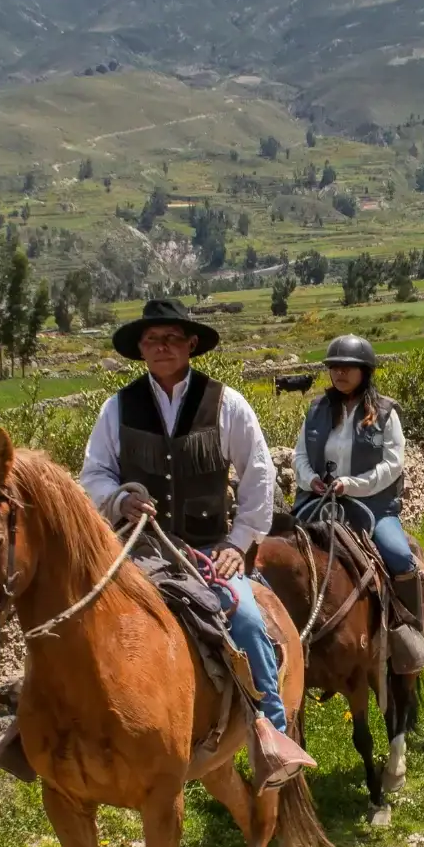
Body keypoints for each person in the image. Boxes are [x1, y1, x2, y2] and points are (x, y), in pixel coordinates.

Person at [80, 297, 316, 788]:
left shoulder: (226, 403)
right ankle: (56, 730)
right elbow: (94, 474)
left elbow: (258, 475)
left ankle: (271, 735)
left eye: (171, 338)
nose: (161, 347)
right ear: (140, 349)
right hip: (138, 549)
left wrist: (238, 543)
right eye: (151, 339)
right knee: (79, 615)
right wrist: (119, 499)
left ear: (191, 344)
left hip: (210, 553)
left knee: (246, 619)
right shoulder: (117, 407)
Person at [293, 334, 424, 667]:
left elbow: (392, 464)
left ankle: (407, 635)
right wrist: (310, 479)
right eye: (334, 367)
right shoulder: (316, 409)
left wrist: (352, 485)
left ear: (365, 371)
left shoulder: (385, 412)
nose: (340, 373)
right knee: (276, 550)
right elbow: (300, 455)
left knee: (399, 555)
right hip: (318, 501)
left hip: (372, 506)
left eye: (348, 367)